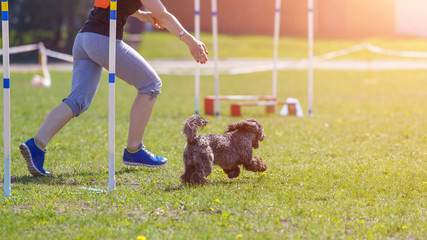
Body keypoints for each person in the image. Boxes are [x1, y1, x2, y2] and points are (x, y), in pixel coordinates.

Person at [19, 0, 208, 176]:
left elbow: (117, 5)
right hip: (103, 39)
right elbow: (164, 14)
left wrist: (142, 15)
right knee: (151, 84)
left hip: (84, 38)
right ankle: (134, 150)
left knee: (77, 101)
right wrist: (191, 42)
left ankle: (36, 145)